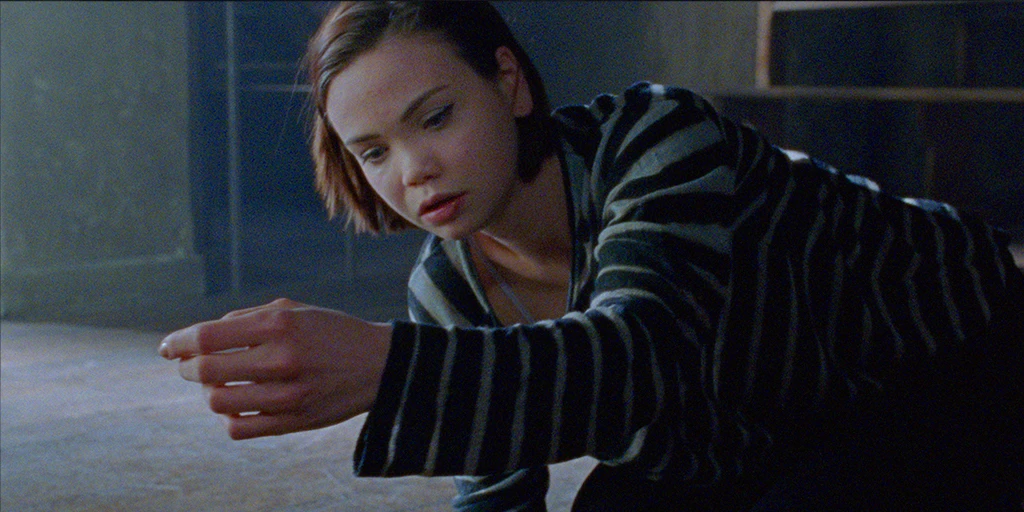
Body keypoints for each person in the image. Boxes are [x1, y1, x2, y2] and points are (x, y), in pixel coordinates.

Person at [160, 2, 1024, 510]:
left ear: (509, 83)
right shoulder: (451, 289)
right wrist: (417, 363)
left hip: (947, 354)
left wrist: (388, 368)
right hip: (731, 426)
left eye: (435, 117)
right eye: (374, 151)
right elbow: (497, 490)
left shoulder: (657, 135)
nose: (413, 171)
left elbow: (639, 354)